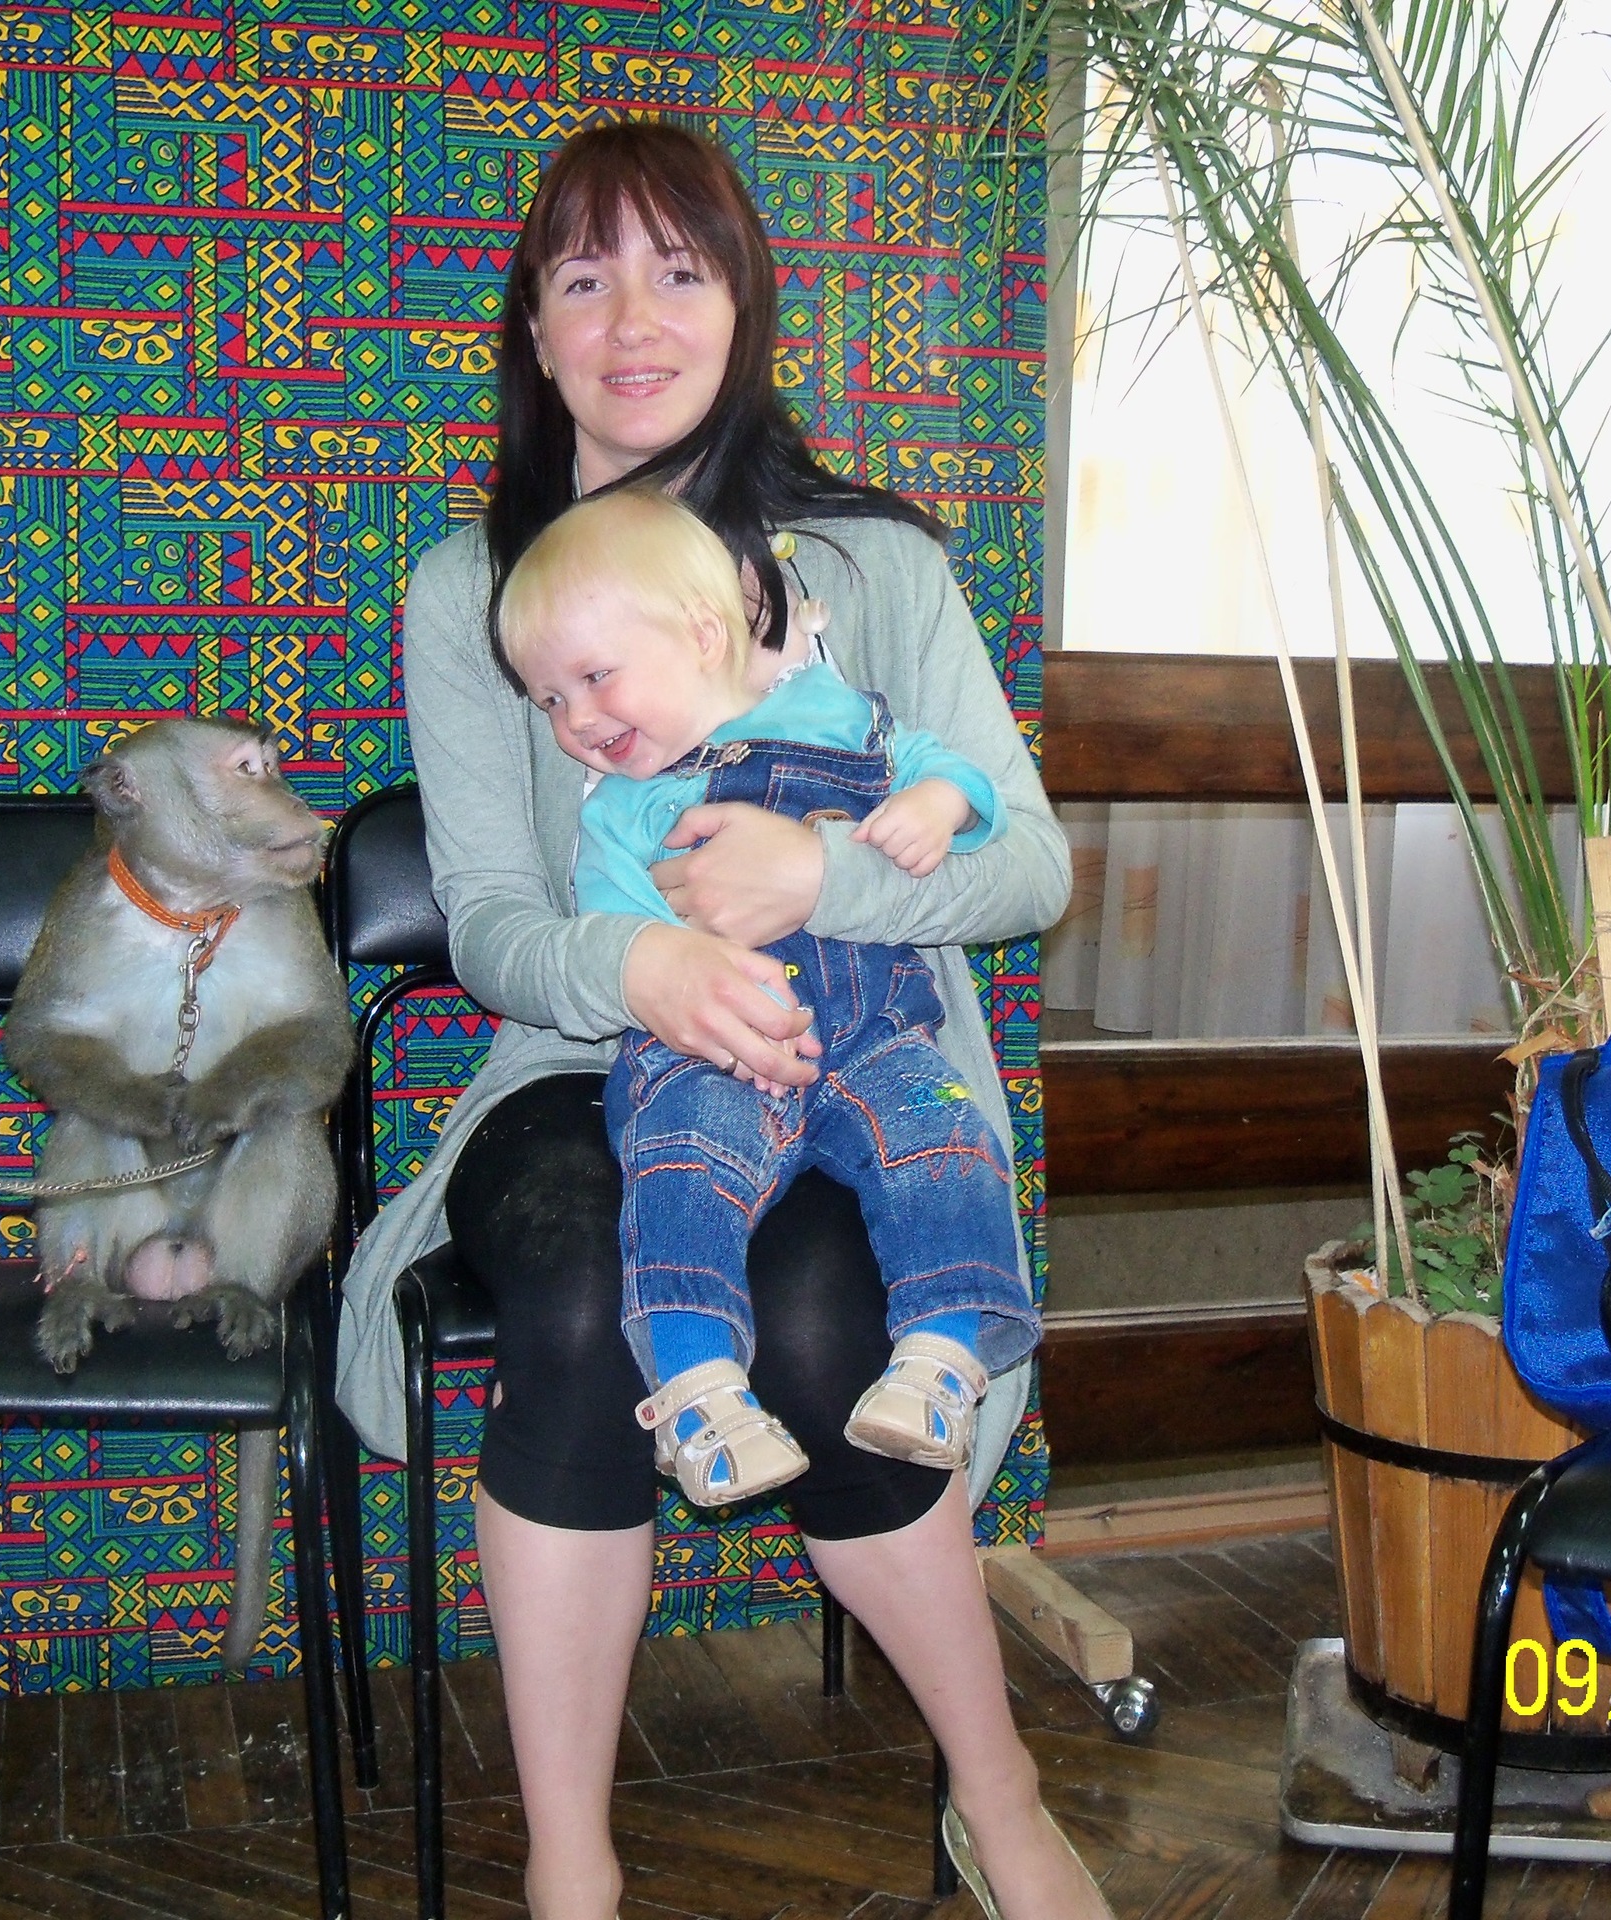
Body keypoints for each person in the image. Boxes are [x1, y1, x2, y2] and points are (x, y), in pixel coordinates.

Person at [332, 120, 1107, 1920]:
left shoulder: (876, 569)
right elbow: (495, 924)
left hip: (853, 1053)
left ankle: (1001, 1803)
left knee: (832, 1324)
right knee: (579, 1298)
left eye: (679, 272)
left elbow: (1031, 865)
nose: (634, 319)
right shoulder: (471, 591)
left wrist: (819, 877)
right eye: (584, 277)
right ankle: (573, 1871)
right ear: (533, 331)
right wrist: (646, 969)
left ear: (744, 307)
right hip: (583, 1067)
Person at [496, 486, 1043, 1505]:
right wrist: (667, 967)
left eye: (595, 677)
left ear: (705, 635)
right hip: (716, 1049)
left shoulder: (832, 711)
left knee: (946, 1136)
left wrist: (938, 803)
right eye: (550, 701)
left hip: (875, 1035)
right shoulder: (623, 812)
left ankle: (941, 1359)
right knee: (679, 1167)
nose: (578, 720)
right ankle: (698, 1390)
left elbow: (951, 775)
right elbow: (619, 943)